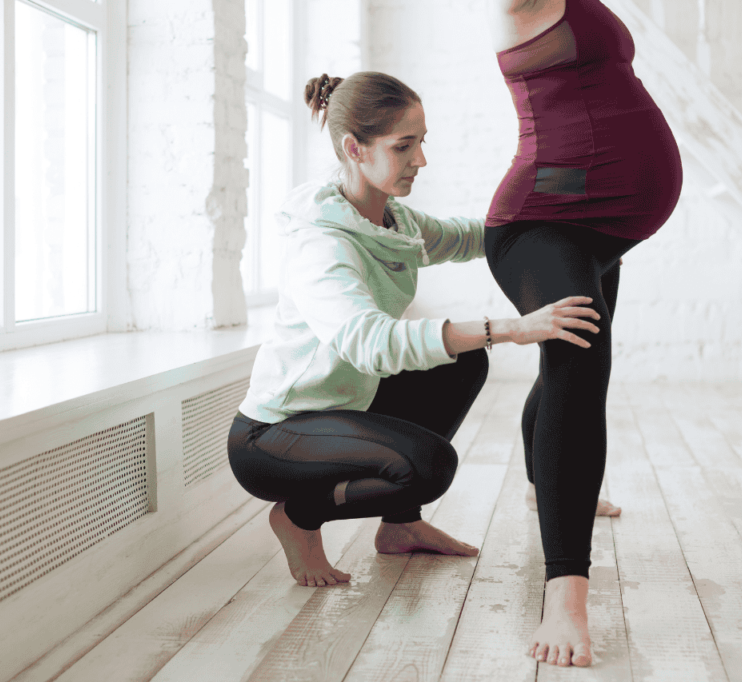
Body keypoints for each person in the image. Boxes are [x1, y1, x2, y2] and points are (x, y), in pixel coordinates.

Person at [227, 71, 603, 589]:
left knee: (464, 358)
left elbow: (469, 236)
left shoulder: (391, 220)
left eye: (421, 143)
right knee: (428, 468)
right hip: (274, 436)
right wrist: (513, 328)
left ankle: (400, 527)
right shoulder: (321, 247)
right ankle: (299, 516)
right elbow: (373, 343)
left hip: (341, 410)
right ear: (353, 148)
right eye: (404, 146)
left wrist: (552, 219)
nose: (420, 160)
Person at [484, 0, 683, 668]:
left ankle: (550, 484)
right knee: (578, 357)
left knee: (565, 364)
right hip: (542, 218)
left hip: (601, 228)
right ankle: (565, 593)